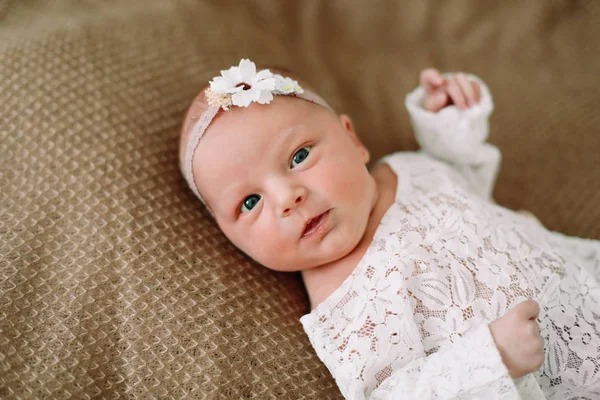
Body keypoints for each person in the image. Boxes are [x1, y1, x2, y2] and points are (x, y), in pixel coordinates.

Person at [179, 59, 600, 399]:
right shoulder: (342, 310)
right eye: (250, 203)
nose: (287, 197)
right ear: (231, 239)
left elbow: (464, 182)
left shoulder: (406, 168)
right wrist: (490, 360)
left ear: (353, 140)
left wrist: (448, 123)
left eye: (299, 156)